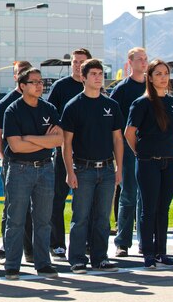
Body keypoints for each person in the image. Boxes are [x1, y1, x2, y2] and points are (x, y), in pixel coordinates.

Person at [61, 59, 124, 273]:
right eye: (94, 74)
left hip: (107, 169)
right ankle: (77, 259)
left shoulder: (111, 105)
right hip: (83, 168)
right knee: (81, 217)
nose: (98, 77)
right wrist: (70, 172)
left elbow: (117, 139)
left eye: (100, 73)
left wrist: (119, 169)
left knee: (103, 218)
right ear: (83, 77)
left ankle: (100, 258)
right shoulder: (73, 106)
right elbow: (66, 143)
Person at [124, 59, 173, 269]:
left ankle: (162, 252)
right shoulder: (141, 103)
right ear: (150, 78)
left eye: (165, 73)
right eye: (158, 74)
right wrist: (141, 153)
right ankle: (149, 254)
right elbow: (129, 133)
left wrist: (166, 149)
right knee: (148, 209)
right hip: (148, 163)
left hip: (170, 162)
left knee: (164, 208)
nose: (163, 77)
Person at [3, 67, 63, 280]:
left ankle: (43, 263)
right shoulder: (12, 110)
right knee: (16, 218)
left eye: (41, 82)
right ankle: (12, 264)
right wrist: (42, 141)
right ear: (22, 86)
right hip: (20, 169)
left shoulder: (49, 108)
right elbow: (16, 147)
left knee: (44, 219)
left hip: (46, 168)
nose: (40, 85)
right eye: (34, 82)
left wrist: (29, 137)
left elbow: (58, 140)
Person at [47, 48, 91, 260]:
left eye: (81, 62)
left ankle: (87, 243)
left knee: (86, 201)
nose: (77, 65)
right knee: (58, 198)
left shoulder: (94, 86)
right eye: (74, 61)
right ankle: (56, 244)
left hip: (89, 154)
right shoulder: (60, 87)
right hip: (64, 151)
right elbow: (50, 113)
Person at [0, 60, 34, 265]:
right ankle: (8, 247)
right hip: (13, 163)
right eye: (20, 73)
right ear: (16, 77)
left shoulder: (37, 101)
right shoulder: (6, 103)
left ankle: (31, 250)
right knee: (12, 207)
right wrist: (4, 158)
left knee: (34, 209)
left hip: (36, 163)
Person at [113, 47, 148, 257]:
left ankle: (145, 241)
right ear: (130, 62)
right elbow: (114, 124)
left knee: (147, 196)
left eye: (145, 59)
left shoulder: (152, 87)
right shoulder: (122, 89)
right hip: (127, 147)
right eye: (139, 59)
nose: (143, 63)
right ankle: (122, 243)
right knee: (128, 195)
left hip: (150, 148)